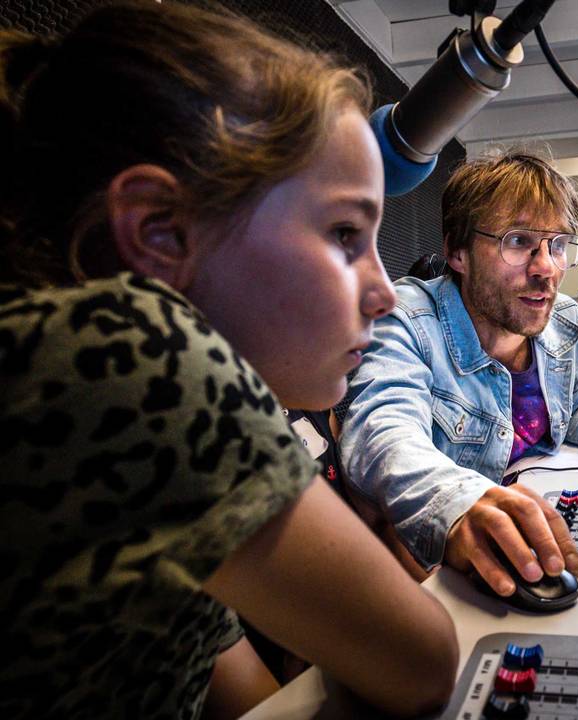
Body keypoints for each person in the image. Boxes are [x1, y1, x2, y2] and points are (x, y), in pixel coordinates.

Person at [0, 3, 458, 718]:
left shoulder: (141, 446)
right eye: (344, 234)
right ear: (159, 232)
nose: (386, 295)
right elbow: (422, 664)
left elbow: (241, 696)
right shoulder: (131, 362)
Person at [341, 153, 578, 597]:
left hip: (541, 526)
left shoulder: (565, 319)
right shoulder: (405, 319)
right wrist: (462, 503)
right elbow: (383, 435)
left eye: (557, 245)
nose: (546, 268)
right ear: (457, 251)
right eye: (518, 242)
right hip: (447, 572)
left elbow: (577, 405)